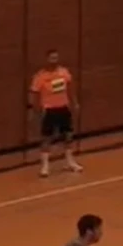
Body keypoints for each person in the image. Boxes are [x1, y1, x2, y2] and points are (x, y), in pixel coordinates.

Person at [29, 50, 81, 178]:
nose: (54, 60)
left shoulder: (64, 72)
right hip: (49, 110)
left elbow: (70, 88)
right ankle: (45, 166)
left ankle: (70, 162)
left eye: (56, 58)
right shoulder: (40, 76)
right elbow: (34, 93)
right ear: (47, 59)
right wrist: (35, 109)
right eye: (52, 58)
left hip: (63, 108)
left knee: (68, 135)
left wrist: (74, 103)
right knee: (47, 138)